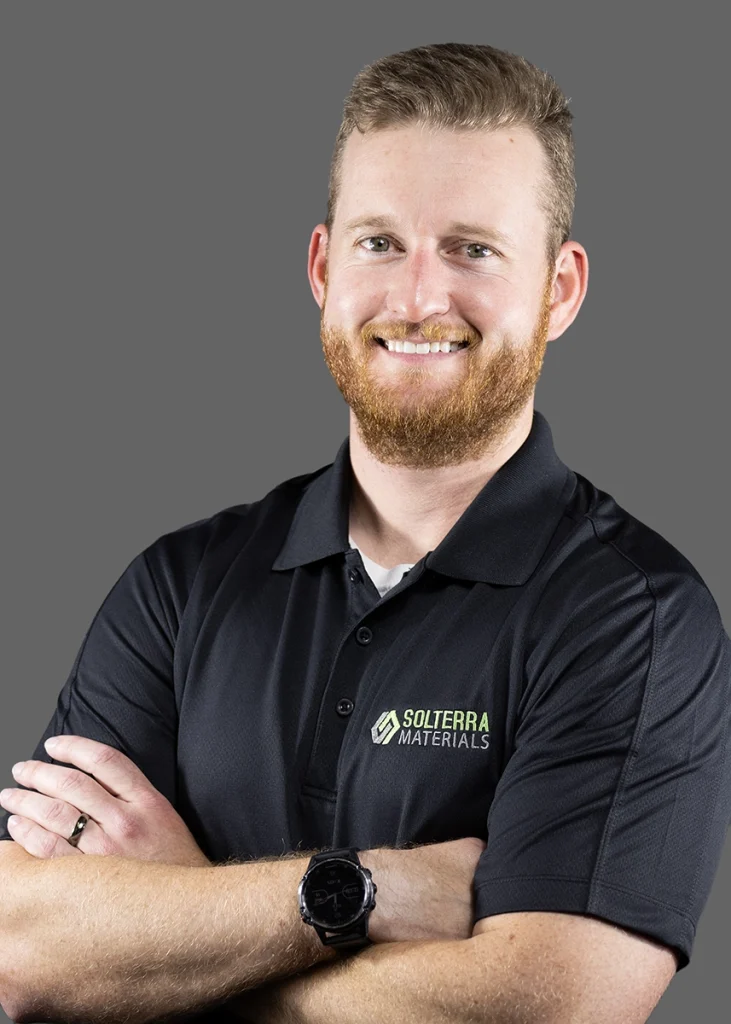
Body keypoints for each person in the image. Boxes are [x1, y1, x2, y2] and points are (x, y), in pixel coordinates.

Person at [1, 41, 729, 1024]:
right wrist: (363, 891)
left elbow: (546, 1009)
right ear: (320, 264)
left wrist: (174, 920)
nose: (417, 297)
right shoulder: (178, 585)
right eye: (379, 242)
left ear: (559, 288)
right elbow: (22, 948)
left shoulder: (632, 619)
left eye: (471, 248)